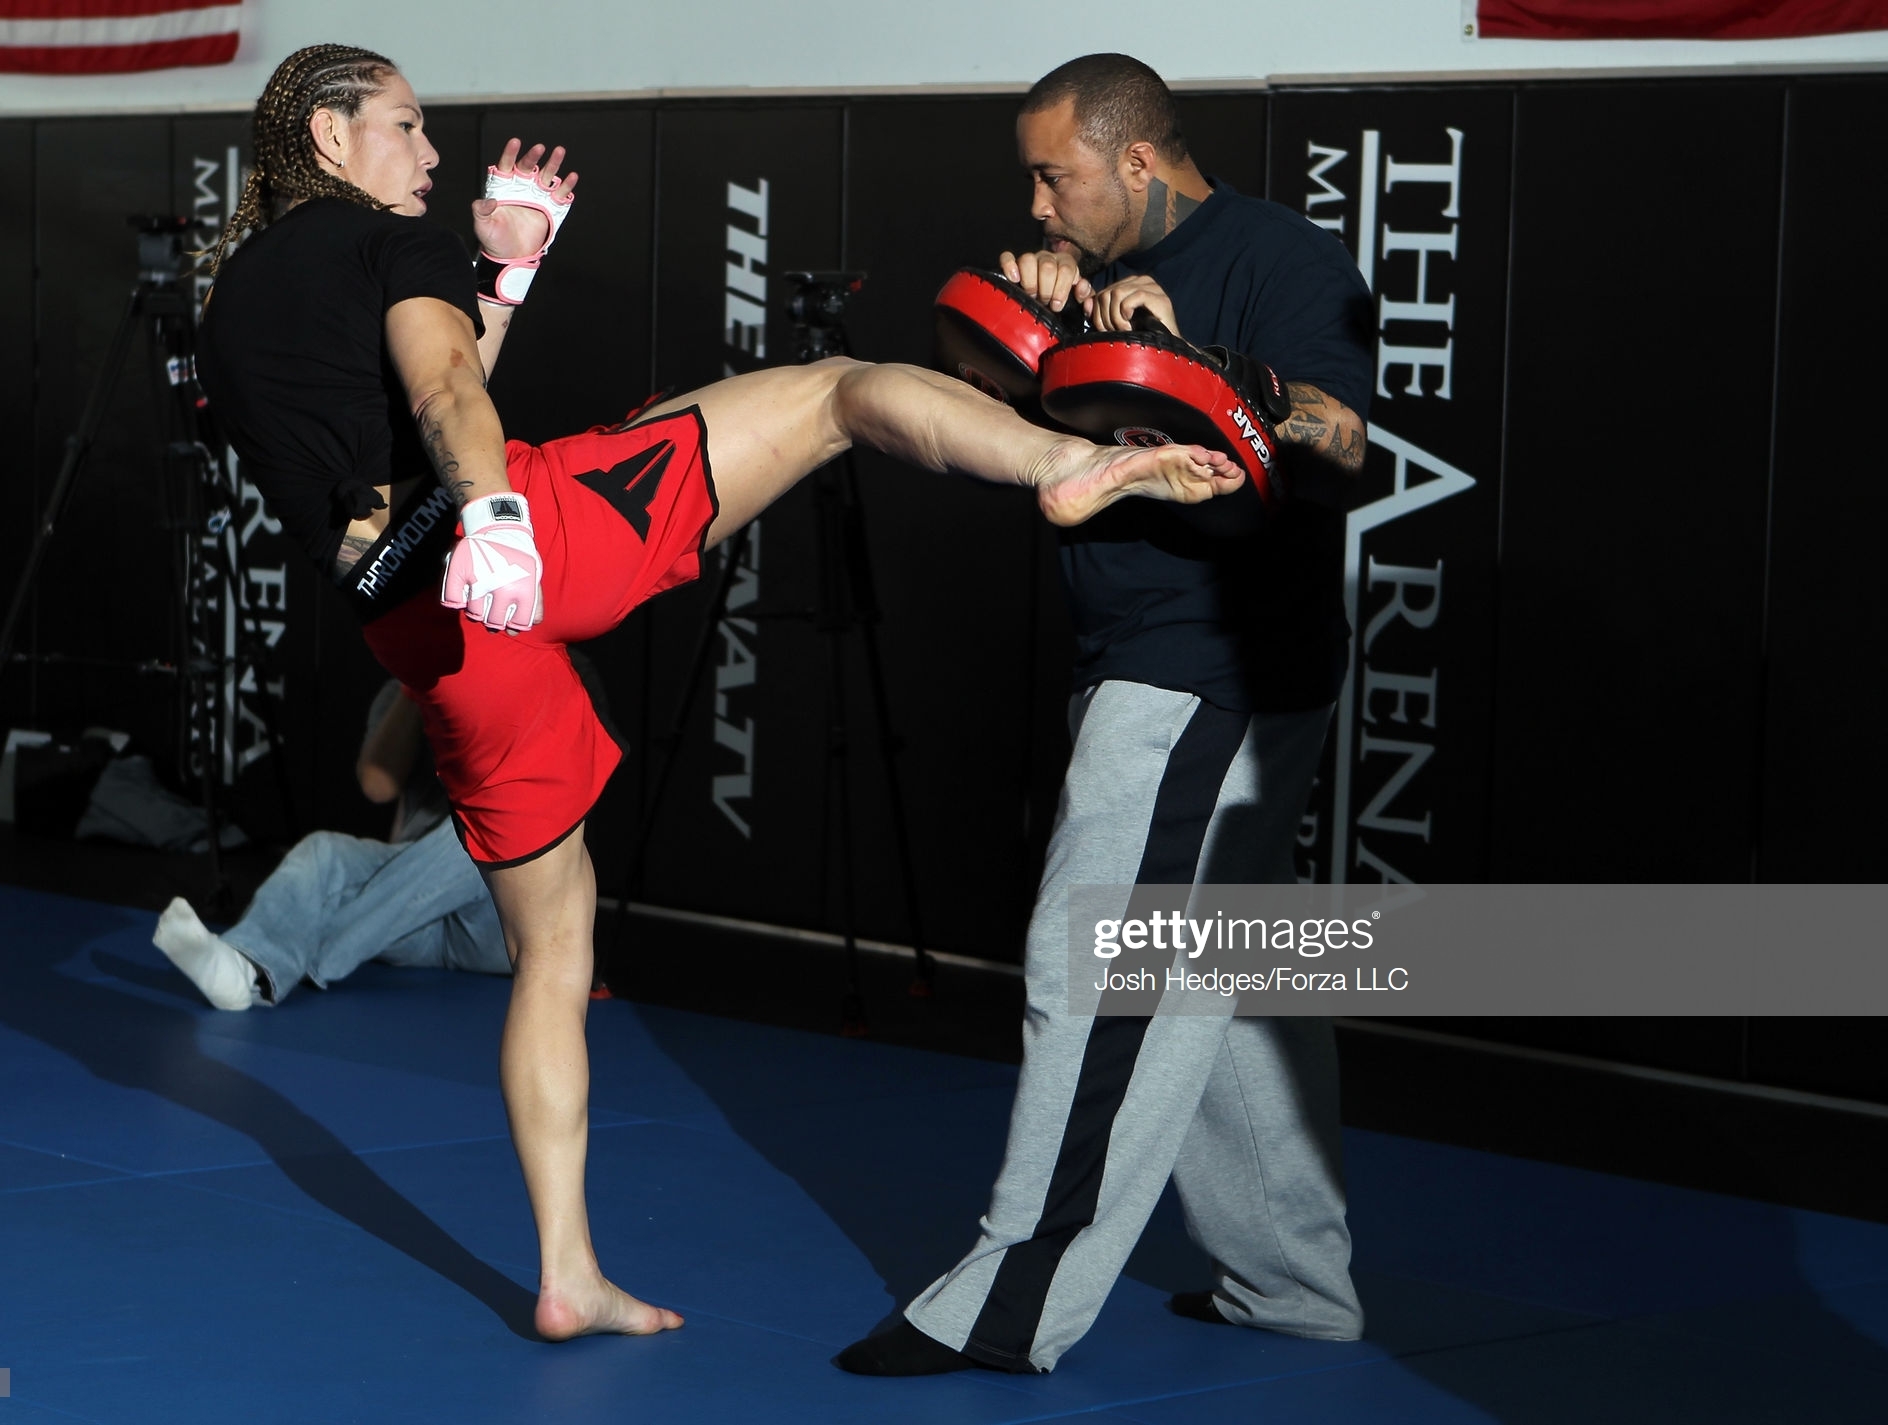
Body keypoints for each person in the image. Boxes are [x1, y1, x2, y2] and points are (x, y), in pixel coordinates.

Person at [192, 44, 1243, 1344]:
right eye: (404, 126)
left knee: (553, 946)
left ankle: (567, 1272)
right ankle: (1058, 465)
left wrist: (503, 273)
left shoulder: (237, 295)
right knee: (833, 393)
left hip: (425, 626)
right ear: (328, 135)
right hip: (516, 538)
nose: (429, 153)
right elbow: (448, 389)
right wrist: (502, 517)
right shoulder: (387, 241)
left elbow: (412, 407)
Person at [837, 53, 1376, 1376]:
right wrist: (1037, 326)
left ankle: (1012, 1303)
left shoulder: (1282, 260)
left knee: (1098, 965)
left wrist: (1203, 362)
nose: (1036, 204)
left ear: (1136, 159)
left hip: (1209, 665)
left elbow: (1346, 440)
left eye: (1053, 176)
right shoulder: (1083, 277)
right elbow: (1009, 406)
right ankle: (1292, 1283)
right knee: (1221, 984)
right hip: (1149, 655)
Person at [152, 681, 508, 1011]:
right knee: (324, 852)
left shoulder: (523, 680)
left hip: (502, 922)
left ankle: (316, 952)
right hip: (413, 911)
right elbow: (377, 787)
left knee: (479, 832)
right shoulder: (404, 685)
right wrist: (417, 685)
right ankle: (246, 970)